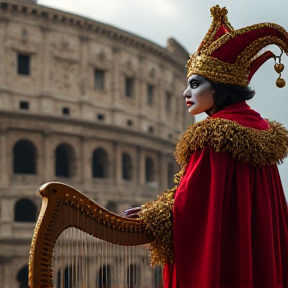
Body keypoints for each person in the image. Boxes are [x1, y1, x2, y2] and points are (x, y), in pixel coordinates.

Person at [125, 5, 288, 288]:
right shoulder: (260, 128)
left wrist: (152, 216)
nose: (185, 93)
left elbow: (193, 206)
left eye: (195, 84)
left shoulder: (212, 135)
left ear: (219, 87)